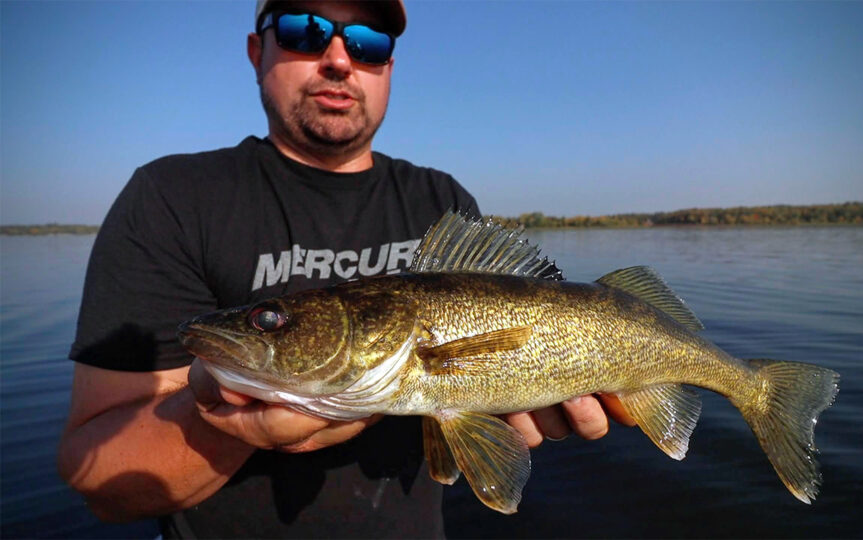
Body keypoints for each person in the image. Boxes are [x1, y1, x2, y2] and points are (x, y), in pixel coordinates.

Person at [57, 1, 633, 537]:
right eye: (302, 31)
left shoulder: (441, 198)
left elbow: (481, 401)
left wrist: (514, 413)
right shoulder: (171, 198)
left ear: (388, 66)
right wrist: (222, 418)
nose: (338, 58)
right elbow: (103, 487)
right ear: (258, 52)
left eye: (367, 42)